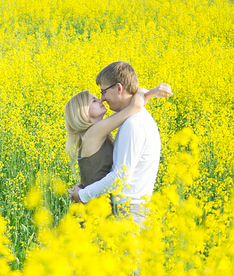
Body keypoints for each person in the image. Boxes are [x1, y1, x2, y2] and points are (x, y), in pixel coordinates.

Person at [67, 61, 172, 225]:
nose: (101, 99)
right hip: (100, 213)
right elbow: (135, 105)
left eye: (102, 93)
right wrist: (145, 93)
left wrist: (83, 192)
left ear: (119, 88)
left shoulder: (130, 123)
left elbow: (117, 175)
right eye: (95, 100)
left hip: (118, 211)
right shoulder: (96, 132)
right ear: (83, 113)